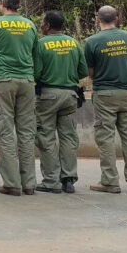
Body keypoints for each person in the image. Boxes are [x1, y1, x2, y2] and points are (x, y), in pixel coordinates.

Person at [85, 5, 127, 194]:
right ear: (117, 18)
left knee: (105, 137)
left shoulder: (92, 41)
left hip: (104, 94)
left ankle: (110, 180)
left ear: (97, 19)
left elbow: (90, 71)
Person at [0, 0, 38, 196]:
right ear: (19, 5)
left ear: (2, 4)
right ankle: (29, 183)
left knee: (6, 130)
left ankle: (12, 183)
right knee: (26, 131)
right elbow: (34, 52)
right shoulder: (30, 25)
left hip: (4, 80)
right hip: (27, 80)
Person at [34, 10, 88, 194]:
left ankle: (51, 181)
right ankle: (68, 178)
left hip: (48, 95)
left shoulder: (41, 44)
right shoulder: (74, 43)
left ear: (47, 26)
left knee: (46, 137)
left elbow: (36, 73)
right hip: (70, 96)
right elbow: (83, 71)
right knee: (68, 137)